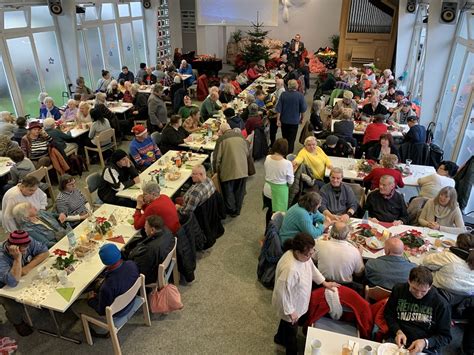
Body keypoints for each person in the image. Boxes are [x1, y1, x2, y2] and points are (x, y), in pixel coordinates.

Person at [272, 232, 339, 354]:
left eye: (312, 251)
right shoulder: (290, 269)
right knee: (292, 334)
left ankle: (279, 337)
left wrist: (324, 283)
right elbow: (282, 292)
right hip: (290, 305)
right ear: (297, 252)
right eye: (308, 254)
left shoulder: (303, 257)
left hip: (297, 299)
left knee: (286, 324)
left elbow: (312, 268)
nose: (310, 256)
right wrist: (290, 311)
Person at [71, 244, 139, 337]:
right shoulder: (132, 264)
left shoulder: (107, 287)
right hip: (132, 300)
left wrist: (91, 300)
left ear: (104, 262)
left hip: (118, 312)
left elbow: (101, 311)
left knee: (75, 306)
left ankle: (99, 330)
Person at [384, 266, 452, 354]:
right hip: (398, 338)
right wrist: (398, 331)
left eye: (423, 291)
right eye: (414, 289)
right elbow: (389, 314)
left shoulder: (441, 304)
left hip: (425, 345)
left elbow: (445, 337)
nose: (418, 294)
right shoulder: (398, 290)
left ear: (430, 287)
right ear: (409, 281)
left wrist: (425, 342)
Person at [0, 230, 49, 336]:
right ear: (12, 247)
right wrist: (17, 259)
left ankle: (44, 304)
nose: (26, 251)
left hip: (20, 277)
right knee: (13, 305)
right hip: (3, 286)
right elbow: (12, 282)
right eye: (23, 250)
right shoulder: (1, 256)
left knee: (43, 281)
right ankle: (17, 322)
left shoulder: (27, 240)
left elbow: (45, 252)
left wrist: (27, 267)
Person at [124, 215, 175, 284]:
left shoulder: (150, 250)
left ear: (152, 230)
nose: (144, 228)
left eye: (145, 226)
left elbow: (138, 269)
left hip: (149, 275)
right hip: (160, 262)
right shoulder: (168, 232)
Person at [422, 232, 473, 300]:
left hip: (441, 293)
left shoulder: (448, 256)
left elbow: (426, 262)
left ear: (457, 244)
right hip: (465, 297)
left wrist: (447, 251)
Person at [212, 123, 249, 217]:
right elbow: (247, 153)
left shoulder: (221, 140)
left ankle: (232, 210)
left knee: (229, 191)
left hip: (228, 171)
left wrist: (216, 171)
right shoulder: (241, 136)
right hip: (242, 169)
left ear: (221, 131)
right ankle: (238, 209)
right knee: (240, 190)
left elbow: (217, 159)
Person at [263, 139, 294, 225]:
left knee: (270, 210)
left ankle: (267, 232)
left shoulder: (268, 157)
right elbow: (290, 181)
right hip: (279, 191)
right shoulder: (287, 163)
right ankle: (274, 233)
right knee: (278, 215)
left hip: (267, 188)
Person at [276, 79, 307, 153]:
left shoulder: (283, 94)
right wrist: (302, 119)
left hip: (284, 121)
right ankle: (289, 154)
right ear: (296, 86)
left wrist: (278, 120)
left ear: (288, 86)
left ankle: (284, 152)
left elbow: (279, 109)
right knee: (292, 140)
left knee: (285, 138)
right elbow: (303, 110)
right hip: (294, 122)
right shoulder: (300, 96)